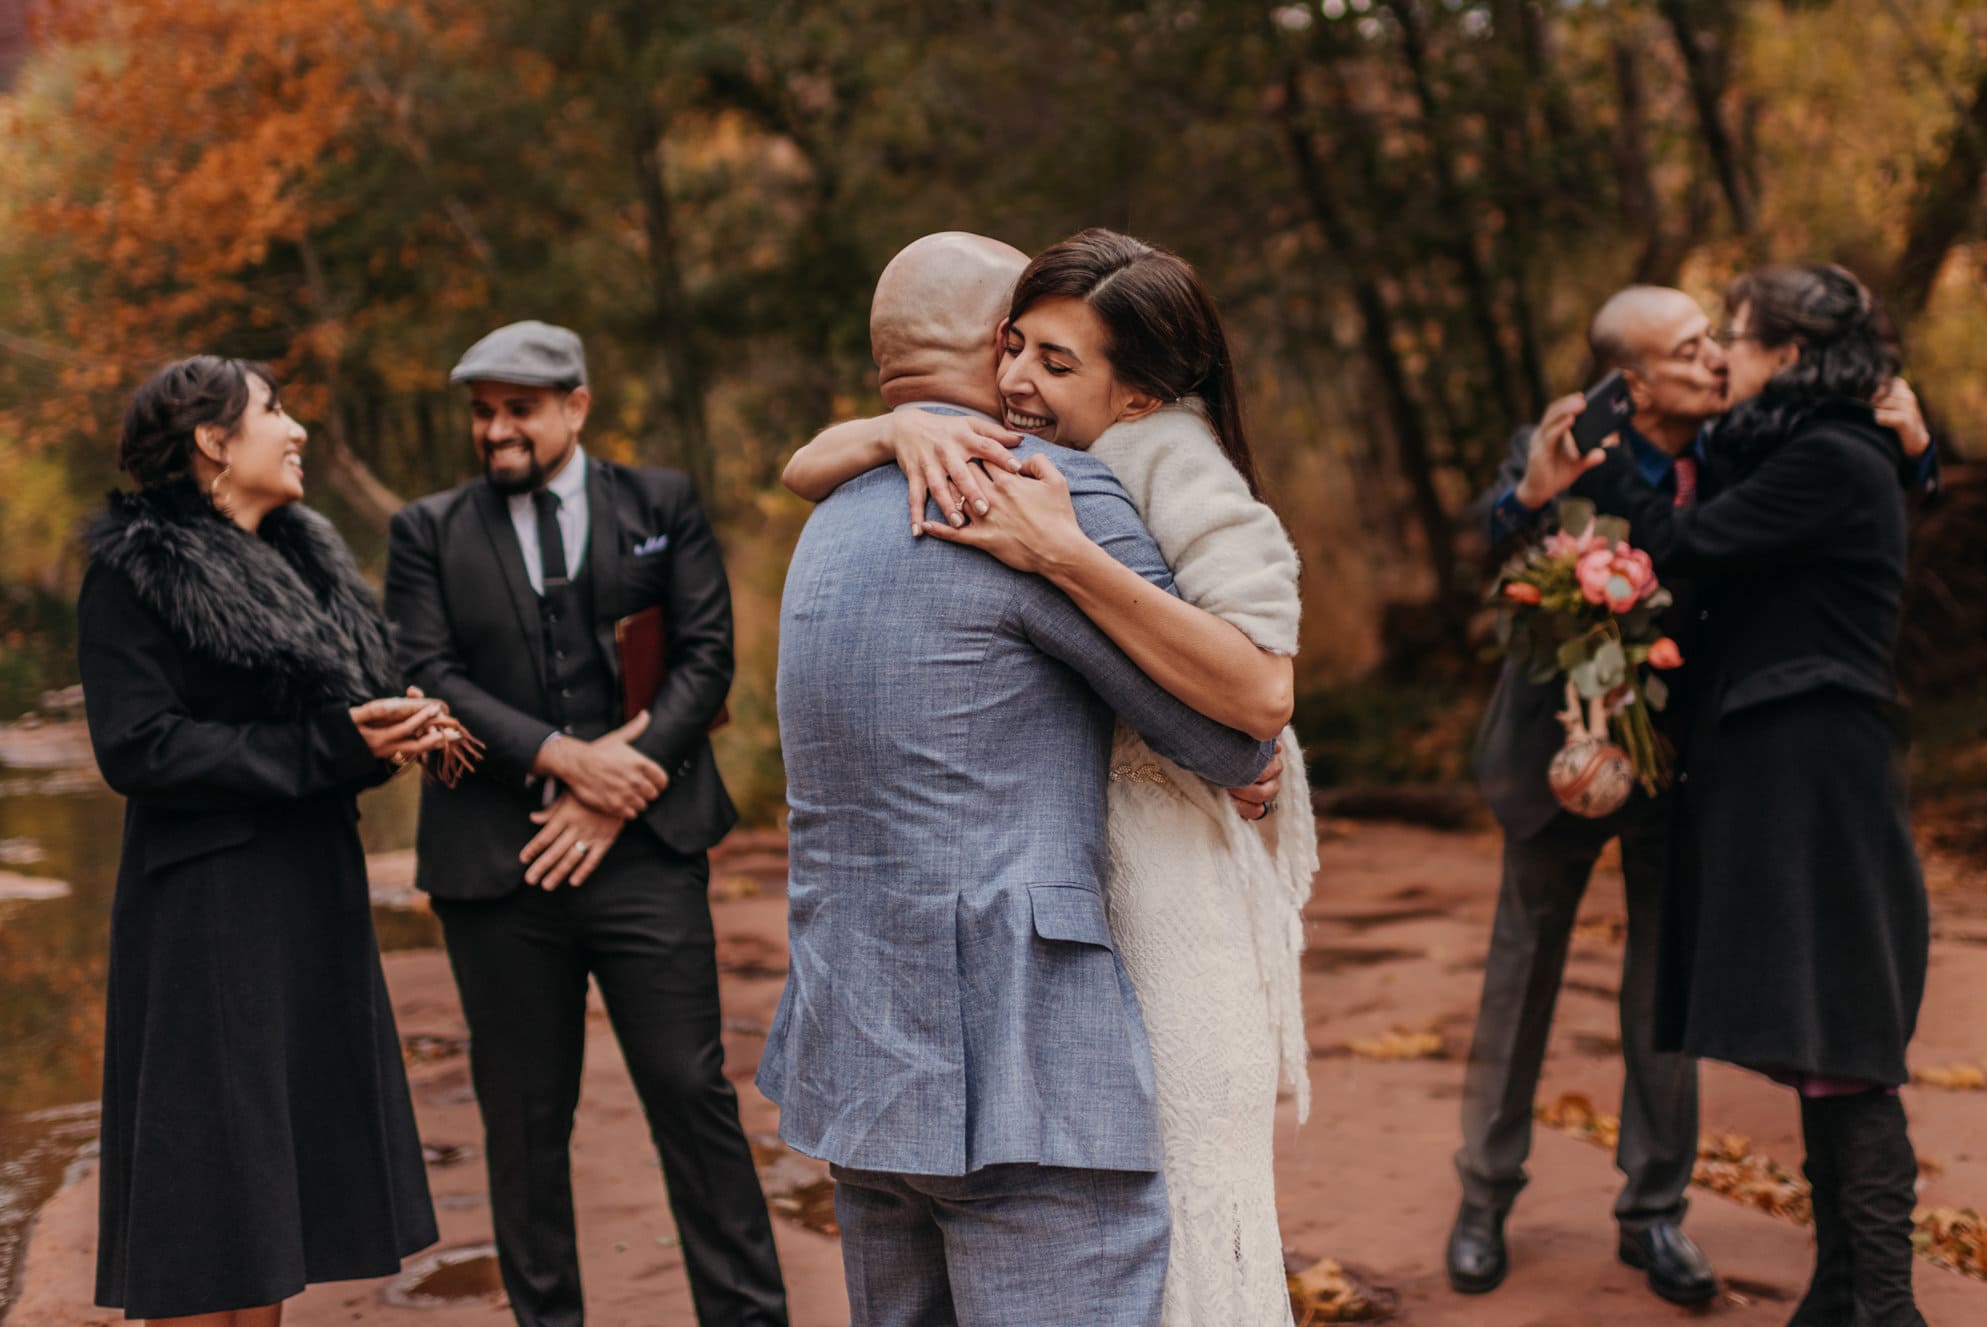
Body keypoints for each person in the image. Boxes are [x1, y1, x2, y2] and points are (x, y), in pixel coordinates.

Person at [775, 229, 1315, 1326]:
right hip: (1021, 1070)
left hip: (854, 1049)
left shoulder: (825, 522)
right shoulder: (1034, 486)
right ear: (992, 343)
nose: (1023, 378)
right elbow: (1229, 740)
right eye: (1018, 345)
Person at [1449, 285, 1934, 1307]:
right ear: (1632, 378)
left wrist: (1917, 452)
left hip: (1686, 761)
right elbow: (1487, 554)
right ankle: (1482, 1203)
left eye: (1721, 337)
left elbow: (1841, 509)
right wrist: (1530, 497)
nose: (1714, 357)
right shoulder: (1568, 433)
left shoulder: (1740, 443)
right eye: (1690, 346)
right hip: (1557, 756)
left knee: (1662, 997)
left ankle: (1653, 1215)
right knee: (1520, 974)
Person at [383, 322, 785, 1327]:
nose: (497, 429)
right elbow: (429, 675)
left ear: (575, 405)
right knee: (522, 1127)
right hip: (495, 870)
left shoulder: (661, 503)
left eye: (518, 407)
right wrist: (566, 761)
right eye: (482, 411)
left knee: (692, 1100)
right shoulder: (426, 531)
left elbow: (703, 662)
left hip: (645, 853)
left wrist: (616, 791)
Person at [80, 356, 442, 1325]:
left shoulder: (302, 557)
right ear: (210, 440)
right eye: (274, 411)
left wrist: (388, 732)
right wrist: (328, 742)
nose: (298, 430)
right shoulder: (136, 569)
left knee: (267, 1217)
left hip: (307, 898)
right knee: (208, 1222)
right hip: (206, 918)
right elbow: (138, 746)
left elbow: (332, 728)